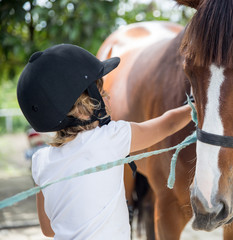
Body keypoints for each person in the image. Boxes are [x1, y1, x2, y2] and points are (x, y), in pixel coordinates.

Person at [17, 44, 192, 239]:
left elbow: (48, 230)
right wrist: (198, 104)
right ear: (82, 110)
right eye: (101, 92)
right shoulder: (110, 138)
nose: (108, 96)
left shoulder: (40, 160)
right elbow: (167, 125)